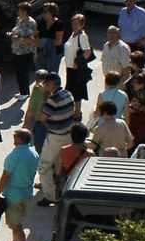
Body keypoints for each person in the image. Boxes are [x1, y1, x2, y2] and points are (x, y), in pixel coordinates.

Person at [0, 128, 38, 241]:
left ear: (20, 139)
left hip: (14, 195)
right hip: (27, 193)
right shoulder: (34, 153)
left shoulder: (14, 156)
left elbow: (6, 176)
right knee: (19, 222)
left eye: (15, 135)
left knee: (16, 225)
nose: (13, 137)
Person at [35, 73, 78, 205]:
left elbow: (42, 118)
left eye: (47, 84)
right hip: (69, 135)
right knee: (64, 166)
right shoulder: (68, 94)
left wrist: (44, 100)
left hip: (55, 137)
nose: (46, 87)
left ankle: (52, 196)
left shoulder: (52, 100)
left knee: (43, 167)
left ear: (52, 84)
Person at [52, 123, 95, 198]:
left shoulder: (64, 150)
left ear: (71, 136)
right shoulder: (90, 154)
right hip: (83, 184)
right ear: (85, 137)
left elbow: (58, 171)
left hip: (69, 184)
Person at [63, 13, 94, 116]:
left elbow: (87, 51)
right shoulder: (73, 34)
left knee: (77, 91)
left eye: (77, 24)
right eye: (73, 23)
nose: (74, 26)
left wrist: (78, 62)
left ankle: (77, 112)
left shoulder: (82, 36)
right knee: (71, 89)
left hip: (76, 68)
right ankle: (72, 111)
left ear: (82, 25)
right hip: (69, 67)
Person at [8, 2, 38, 96]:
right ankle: (22, 91)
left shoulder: (31, 23)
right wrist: (11, 34)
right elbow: (16, 31)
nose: (18, 12)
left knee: (23, 72)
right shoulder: (18, 20)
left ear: (25, 12)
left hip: (26, 51)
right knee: (18, 72)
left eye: (20, 10)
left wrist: (19, 39)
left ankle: (25, 92)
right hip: (16, 50)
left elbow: (32, 39)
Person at [125, 69, 145, 149]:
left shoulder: (138, 96)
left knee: (133, 147)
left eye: (135, 82)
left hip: (137, 125)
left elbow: (131, 110)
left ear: (142, 84)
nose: (133, 84)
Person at [24, 69, 50, 151]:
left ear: (37, 79)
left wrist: (25, 125)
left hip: (41, 123)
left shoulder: (38, 90)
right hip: (52, 122)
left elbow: (30, 110)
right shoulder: (52, 87)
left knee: (40, 149)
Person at [37, 2, 65, 73]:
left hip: (54, 53)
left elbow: (58, 41)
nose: (44, 14)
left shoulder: (59, 24)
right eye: (43, 12)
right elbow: (35, 35)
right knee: (41, 74)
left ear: (52, 12)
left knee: (51, 74)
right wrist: (38, 49)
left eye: (46, 12)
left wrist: (45, 44)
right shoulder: (42, 22)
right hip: (42, 52)